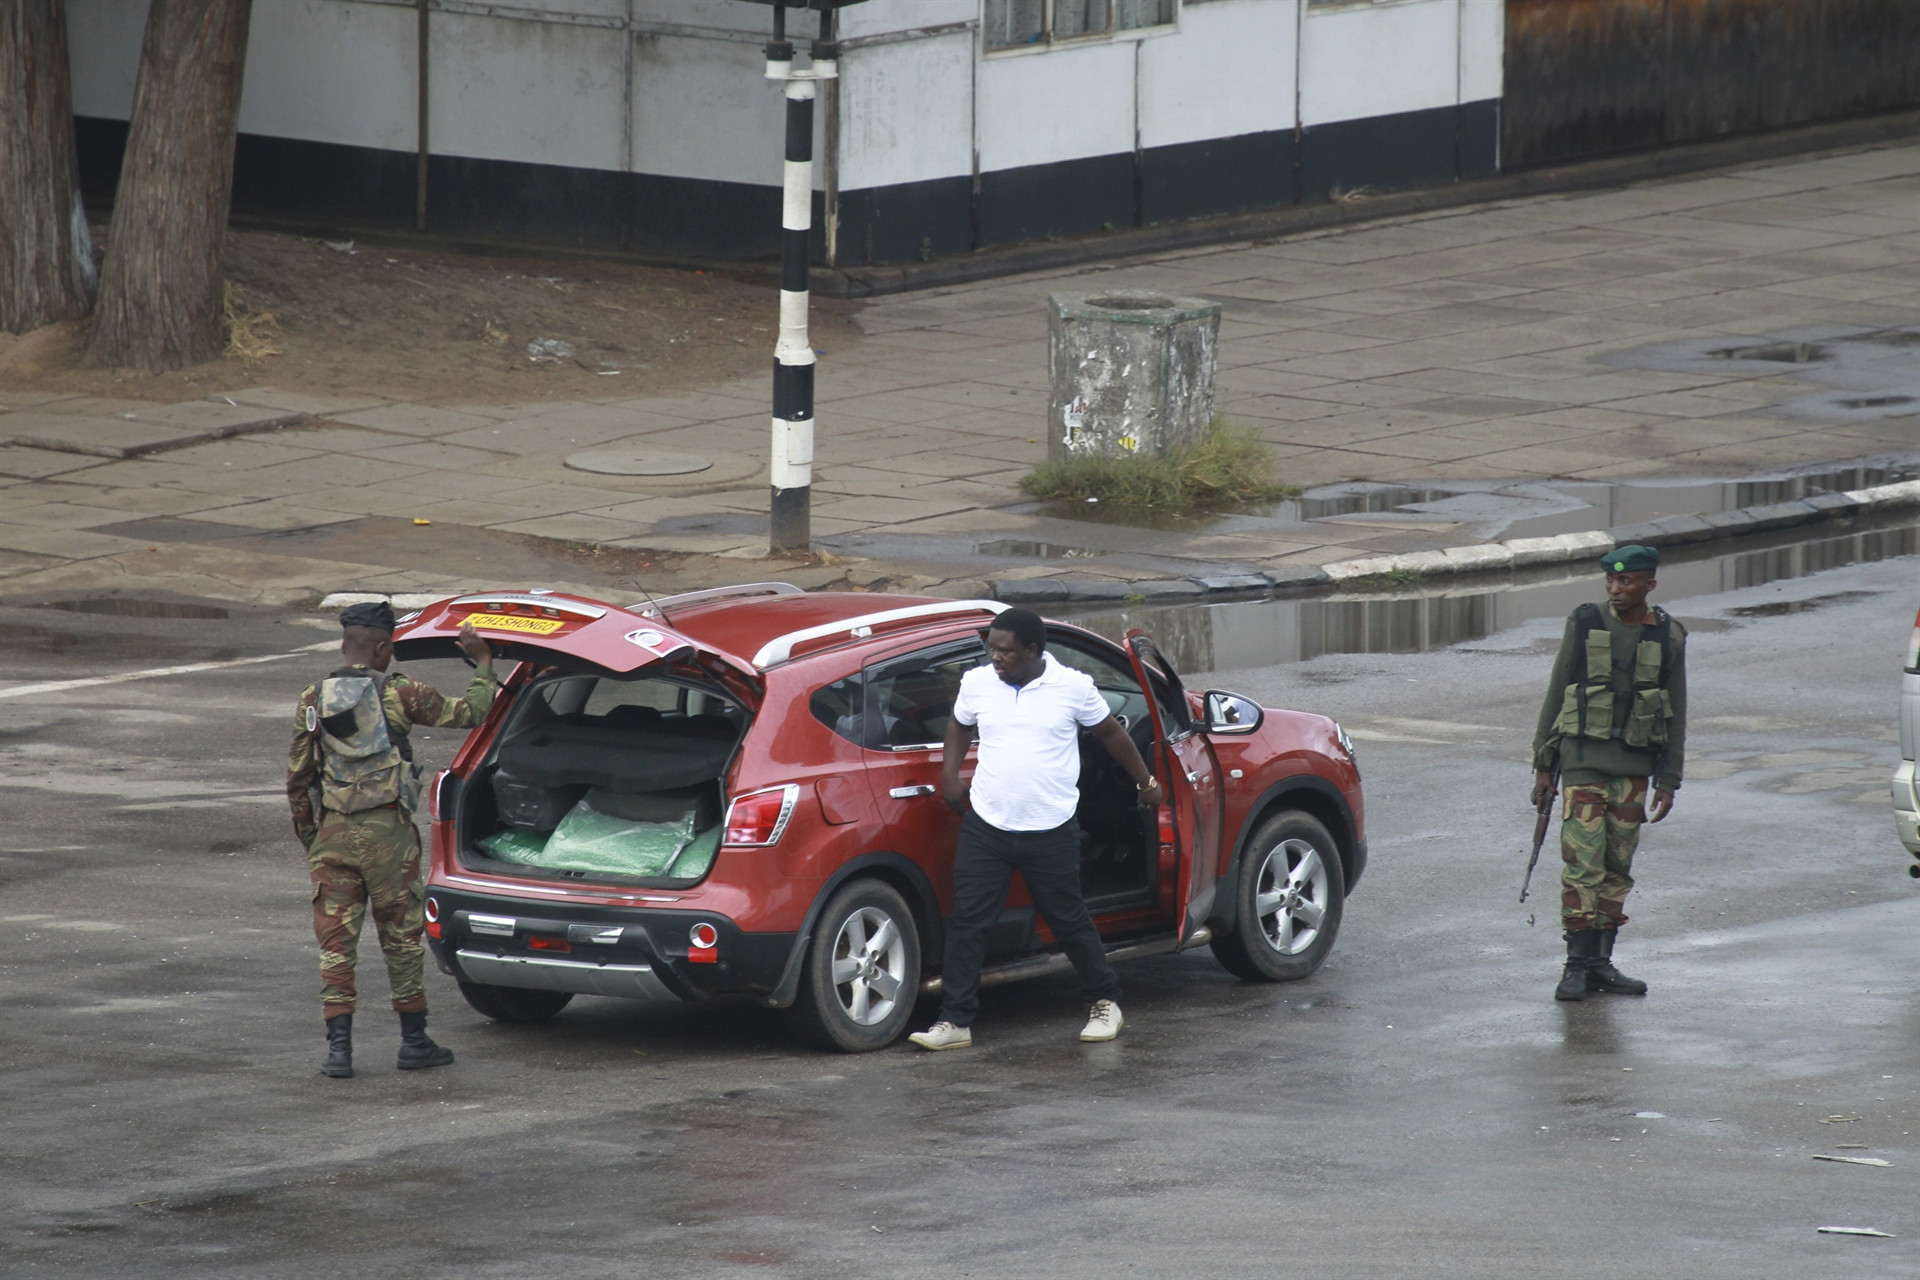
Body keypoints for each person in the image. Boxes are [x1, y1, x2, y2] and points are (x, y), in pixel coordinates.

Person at [909, 607, 1164, 1050]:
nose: (996, 658)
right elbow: (958, 724)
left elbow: (1110, 734)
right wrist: (950, 776)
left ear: (1033, 650)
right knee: (968, 923)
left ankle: (1105, 1001)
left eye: (1005, 651)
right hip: (987, 824)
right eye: (991, 648)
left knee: (1068, 920)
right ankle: (955, 1022)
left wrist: (1146, 782)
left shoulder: (1072, 687)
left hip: (1050, 827)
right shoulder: (977, 683)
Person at [286, 600, 499, 1077]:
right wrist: (484, 663)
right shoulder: (400, 692)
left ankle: (338, 1051)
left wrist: (314, 839)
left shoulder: (312, 698)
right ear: (382, 648)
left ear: (346, 645)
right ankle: (413, 1041)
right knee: (401, 939)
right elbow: (472, 712)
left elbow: (298, 779)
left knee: (336, 944)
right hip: (388, 834)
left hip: (333, 835)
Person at [1530, 545, 1687, 1002]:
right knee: (1583, 866)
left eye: (1627, 582)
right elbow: (1557, 690)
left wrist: (1669, 780)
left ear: (1649, 585)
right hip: (1583, 764)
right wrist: (1544, 764)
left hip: (1635, 769)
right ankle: (1575, 965)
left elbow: (1675, 713)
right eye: (1611, 582)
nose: (1616, 589)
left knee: (1617, 868)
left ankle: (1601, 963)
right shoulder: (1584, 622)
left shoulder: (1668, 635)